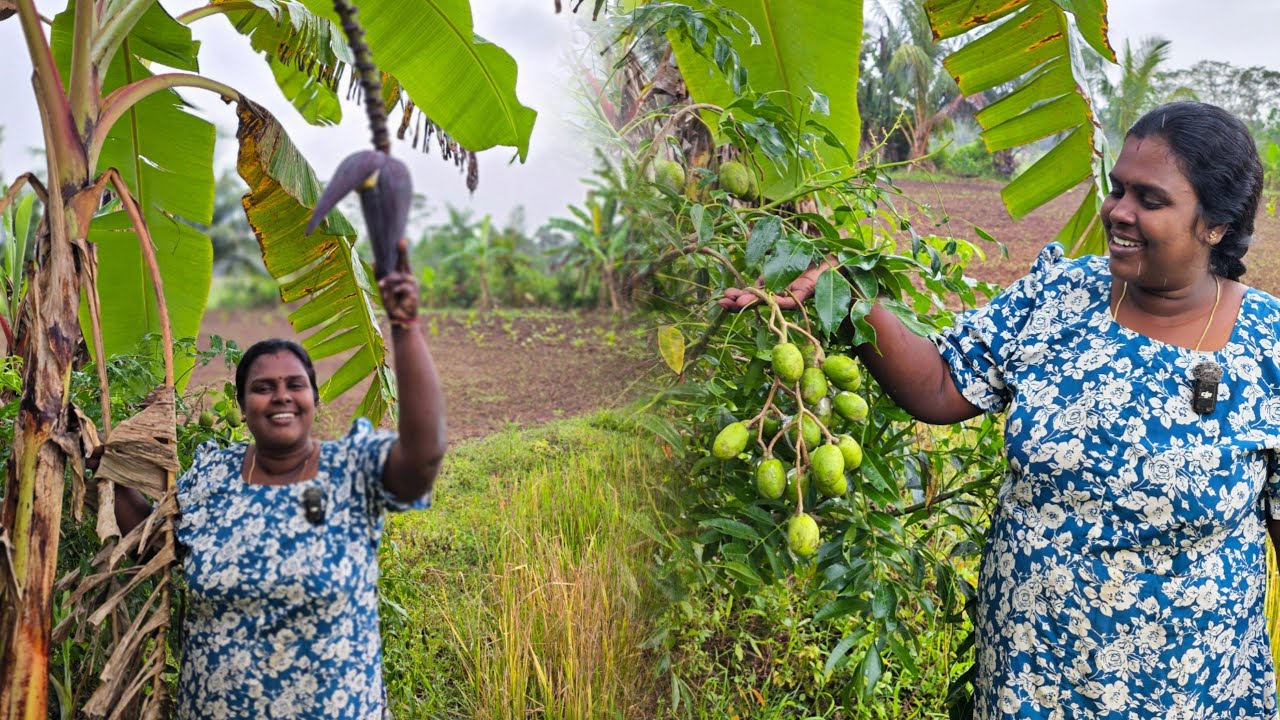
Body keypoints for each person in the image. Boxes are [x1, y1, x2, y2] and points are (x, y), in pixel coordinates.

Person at [722, 101, 1279, 718]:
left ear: (1216, 226)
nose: (1117, 211)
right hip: (1027, 677)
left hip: (1191, 694)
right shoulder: (1061, 293)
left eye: (1150, 200)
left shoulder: (1268, 347)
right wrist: (846, 297)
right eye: (1118, 188)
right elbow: (939, 385)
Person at [114, 260, 446, 719]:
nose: (281, 396)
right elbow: (153, 545)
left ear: (314, 396)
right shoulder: (213, 474)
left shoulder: (352, 469)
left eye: (295, 385)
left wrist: (405, 328)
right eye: (263, 387)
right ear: (242, 404)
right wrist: (112, 468)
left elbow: (424, 457)